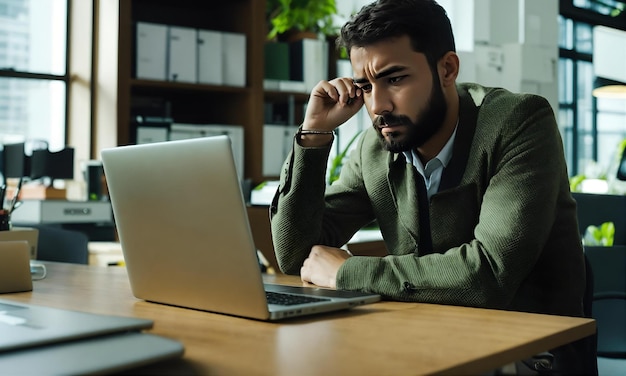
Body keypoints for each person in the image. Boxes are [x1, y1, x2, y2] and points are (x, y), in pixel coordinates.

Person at [270, 0, 591, 373]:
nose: (378, 106)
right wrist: (314, 134)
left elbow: (488, 274)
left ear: (447, 69)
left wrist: (348, 272)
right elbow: (295, 256)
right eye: (364, 86)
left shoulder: (518, 122)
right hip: (426, 342)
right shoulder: (374, 149)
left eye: (395, 79)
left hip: (530, 356)